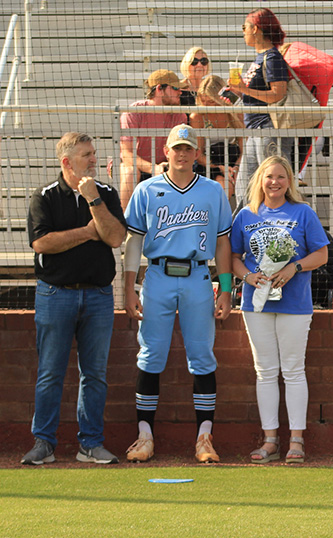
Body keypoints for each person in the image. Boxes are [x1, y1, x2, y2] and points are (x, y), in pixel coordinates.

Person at [122, 124, 233, 463]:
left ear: (197, 153)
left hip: (198, 276)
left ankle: (204, 438)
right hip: (157, 275)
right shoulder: (147, 189)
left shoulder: (213, 191)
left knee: (201, 357)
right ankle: (144, 436)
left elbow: (223, 241)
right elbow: (134, 241)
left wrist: (226, 289)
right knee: (151, 355)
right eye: (176, 148)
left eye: (189, 148)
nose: (182, 154)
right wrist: (128, 287)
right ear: (166, 152)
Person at [21, 132, 127, 465]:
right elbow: (42, 244)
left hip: (98, 296)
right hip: (55, 295)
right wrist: (86, 233)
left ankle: (91, 444)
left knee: (94, 374)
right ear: (67, 162)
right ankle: (43, 444)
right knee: (50, 373)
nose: (94, 159)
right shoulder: (45, 196)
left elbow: (114, 237)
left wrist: (94, 201)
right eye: (86, 155)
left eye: (94, 153)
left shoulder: (106, 194)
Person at [231, 155, 329, 463]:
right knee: (265, 372)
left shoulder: (303, 213)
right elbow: (233, 257)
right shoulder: (246, 215)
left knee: (293, 370)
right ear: (259, 180)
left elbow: (322, 254)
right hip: (255, 303)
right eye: (269, 176)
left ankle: (296, 440)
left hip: (295, 304)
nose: (274, 182)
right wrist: (248, 276)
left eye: (281, 177)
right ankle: (271, 439)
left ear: (290, 182)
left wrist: (294, 268)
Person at [229, 8, 294, 208]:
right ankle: (244, 227)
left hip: (269, 128)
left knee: (273, 184)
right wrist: (239, 92)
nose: (243, 32)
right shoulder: (260, 58)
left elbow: (278, 93)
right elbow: (256, 95)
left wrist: (245, 90)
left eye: (244, 27)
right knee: (246, 185)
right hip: (255, 129)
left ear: (256, 29)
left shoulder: (272, 58)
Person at [119, 69, 188, 205]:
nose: (180, 92)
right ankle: (124, 222)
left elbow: (180, 150)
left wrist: (167, 165)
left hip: (164, 165)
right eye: (175, 88)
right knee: (130, 173)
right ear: (159, 89)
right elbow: (126, 154)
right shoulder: (133, 112)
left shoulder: (180, 116)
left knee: (180, 170)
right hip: (134, 165)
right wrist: (153, 168)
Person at [189, 74, 243, 196]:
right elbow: (199, 154)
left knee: (230, 185)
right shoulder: (197, 117)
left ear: (222, 98)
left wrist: (236, 168)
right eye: (203, 101)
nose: (207, 105)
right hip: (208, 163)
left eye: (212, 101)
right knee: (223, 187)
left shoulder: (235, 114)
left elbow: (243, 150)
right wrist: (219, 167)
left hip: (232, 160)